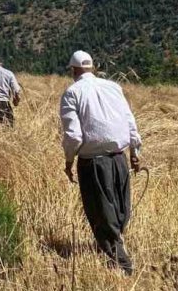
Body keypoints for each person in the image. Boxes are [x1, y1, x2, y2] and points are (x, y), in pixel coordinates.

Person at [60, 50, 142, 275]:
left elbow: (74, 136)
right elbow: (129, 121)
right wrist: (135, 151)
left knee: (101, 212)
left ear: (74, 70)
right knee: (120, 208)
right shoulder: (113, 87)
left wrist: (68, 161)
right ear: (92, 68)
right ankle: (115, 247)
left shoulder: (72, 93)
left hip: (93, 162)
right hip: (119, 158)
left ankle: (120, 263)